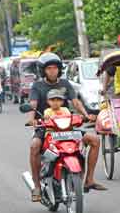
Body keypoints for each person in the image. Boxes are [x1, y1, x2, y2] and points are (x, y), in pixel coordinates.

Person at [26, 52, 106, 202]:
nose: (52, 71)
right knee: (34, 146)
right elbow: (33, 105)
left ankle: (89, 179)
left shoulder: (65, 84)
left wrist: (86, 114)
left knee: (94, 140)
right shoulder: (37, 86)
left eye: (55, 68)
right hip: (46, 127)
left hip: (67, 127)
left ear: (59, 69)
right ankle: (36, 186)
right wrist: (32, 119)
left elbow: (75, 102)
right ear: (43, 70)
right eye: (49, 68)